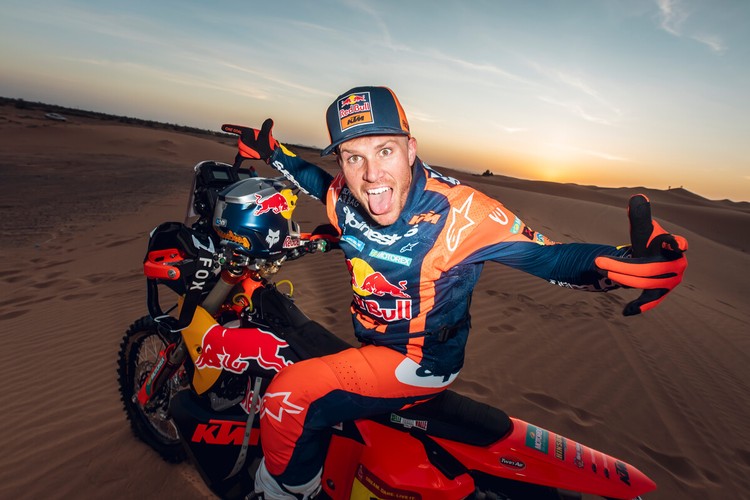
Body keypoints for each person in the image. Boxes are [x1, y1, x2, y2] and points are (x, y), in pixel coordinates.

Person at [223, 86, 688, 499]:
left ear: (411, 149)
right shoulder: (345, 195)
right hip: (371, 346)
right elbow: (314, 181)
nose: (371, 175)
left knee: (289, 397)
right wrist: (271, 152)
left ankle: (280, 493)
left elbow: (549, 258)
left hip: (416, 363)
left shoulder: (463, 213)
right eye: (353, 157)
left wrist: (622, 264)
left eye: (385, 150)